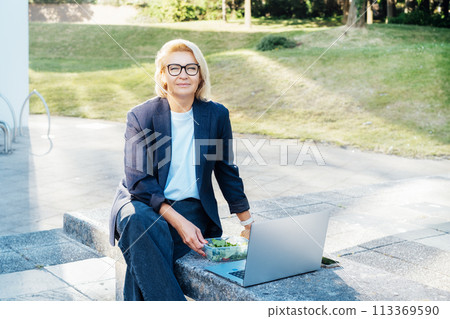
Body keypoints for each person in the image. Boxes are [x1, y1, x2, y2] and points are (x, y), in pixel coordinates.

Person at [109, 39, 254, 301]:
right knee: (137, 222)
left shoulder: (216, 115)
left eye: (191, 68)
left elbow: (225, 170)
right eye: (174, 68)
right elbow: (139, 182)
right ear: (162, 76)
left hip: (190, 207)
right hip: (141, 203)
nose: (183, 75)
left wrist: (248, 223)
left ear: (201, 75)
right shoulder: (142, 116)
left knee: (144, 254)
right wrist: (178, 222)